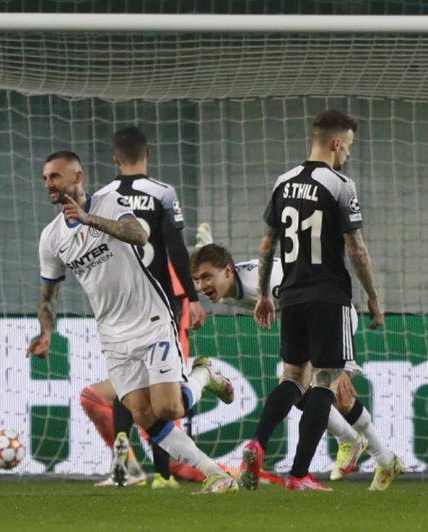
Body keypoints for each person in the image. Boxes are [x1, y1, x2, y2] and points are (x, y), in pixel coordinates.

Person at [28, 150, 237, 494]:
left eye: (55, 176)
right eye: (45, 178)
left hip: (150, 318)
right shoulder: (51, 238)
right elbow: (48, 295)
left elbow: (139, 235)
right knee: (143, 415)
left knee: (168, 408)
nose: (49, 184)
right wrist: (46, 332)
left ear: (77, 177)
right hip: (112, 333)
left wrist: (89, 219)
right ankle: (216, 473)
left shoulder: (110, 202)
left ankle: (204, 375)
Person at [245, 110, 401, 492]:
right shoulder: (340, 185)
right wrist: (373, 295)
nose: (348, 153)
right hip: (329, 295)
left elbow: (267, 245)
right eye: (348, 146)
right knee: (325, 382)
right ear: (335, 142)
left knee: (292, 377)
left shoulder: (282, 182)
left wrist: (263, 293)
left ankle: (257, 442)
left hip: (291, 296)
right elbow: (356, 247)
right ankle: (298, 474)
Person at [191, 242, 401, 488]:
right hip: (304, 318)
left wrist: (339, 359)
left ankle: (375, 454)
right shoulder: (232, 286)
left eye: (207, 277)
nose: (201, 286)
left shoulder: (261, 283)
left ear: (228, 271)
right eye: (197, 280)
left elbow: (320, 295)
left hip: (334, 313)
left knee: (336, 395)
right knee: (298, 390)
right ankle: (370, 451)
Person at [80, 127, 208, 488]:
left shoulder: (102, 198)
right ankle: (162, 474)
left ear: (115, 159)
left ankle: (125, 463)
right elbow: (176, 249)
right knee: (159, 386)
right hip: (160, 306)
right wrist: (193, 298)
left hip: (120, 307)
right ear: (148, 154)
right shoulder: (162, 193)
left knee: (129, 383)